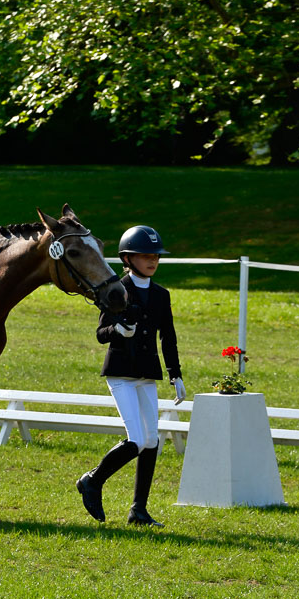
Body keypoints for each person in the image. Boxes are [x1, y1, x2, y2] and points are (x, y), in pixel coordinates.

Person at [76, 225, 186, 527]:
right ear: (127, 258)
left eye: (156, 256)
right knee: (136, 439)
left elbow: (169, 337)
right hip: (121, 373)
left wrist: (175, 374)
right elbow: (101, 334)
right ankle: (92, 481)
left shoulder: (162, 295)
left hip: (147, 373)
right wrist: (118, 331)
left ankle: (139, 510)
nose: (152, 261)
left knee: (152, 440)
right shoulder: (116, 289)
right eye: (145, 256)